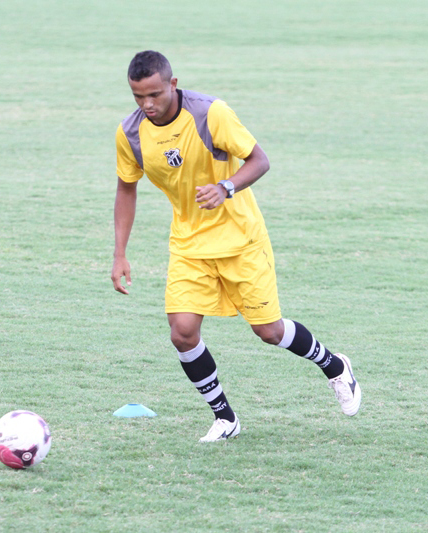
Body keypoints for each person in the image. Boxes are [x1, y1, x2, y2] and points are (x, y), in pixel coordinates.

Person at [111, 50, 361, 443]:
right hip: (190, 245)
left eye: (155, 95)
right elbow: (127, 188)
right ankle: (225, 417)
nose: (148, 105)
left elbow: (259, 160)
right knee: (182, 332)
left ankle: (333, 365)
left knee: (269, 331)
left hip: (241, 240)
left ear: (172, 85)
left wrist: (226, 187)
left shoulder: (211, 114)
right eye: (138, 97)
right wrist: (119, 253)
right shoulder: (130, 133)